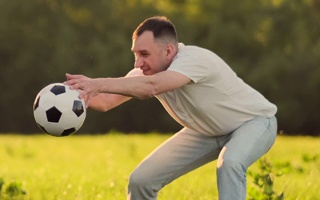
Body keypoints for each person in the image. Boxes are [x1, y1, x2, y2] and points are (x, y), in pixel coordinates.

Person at [64, 16, 277, 200]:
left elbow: (151, 88)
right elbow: (105, 102)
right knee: (141, 180)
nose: (138, 63)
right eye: (135, 54)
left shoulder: (194, 59)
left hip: (254, 122)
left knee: (230, 163)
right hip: (207, 130)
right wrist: (68, 95)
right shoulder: (145, 74)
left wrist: (97, 83)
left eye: (144, 54)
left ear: (168, 50)